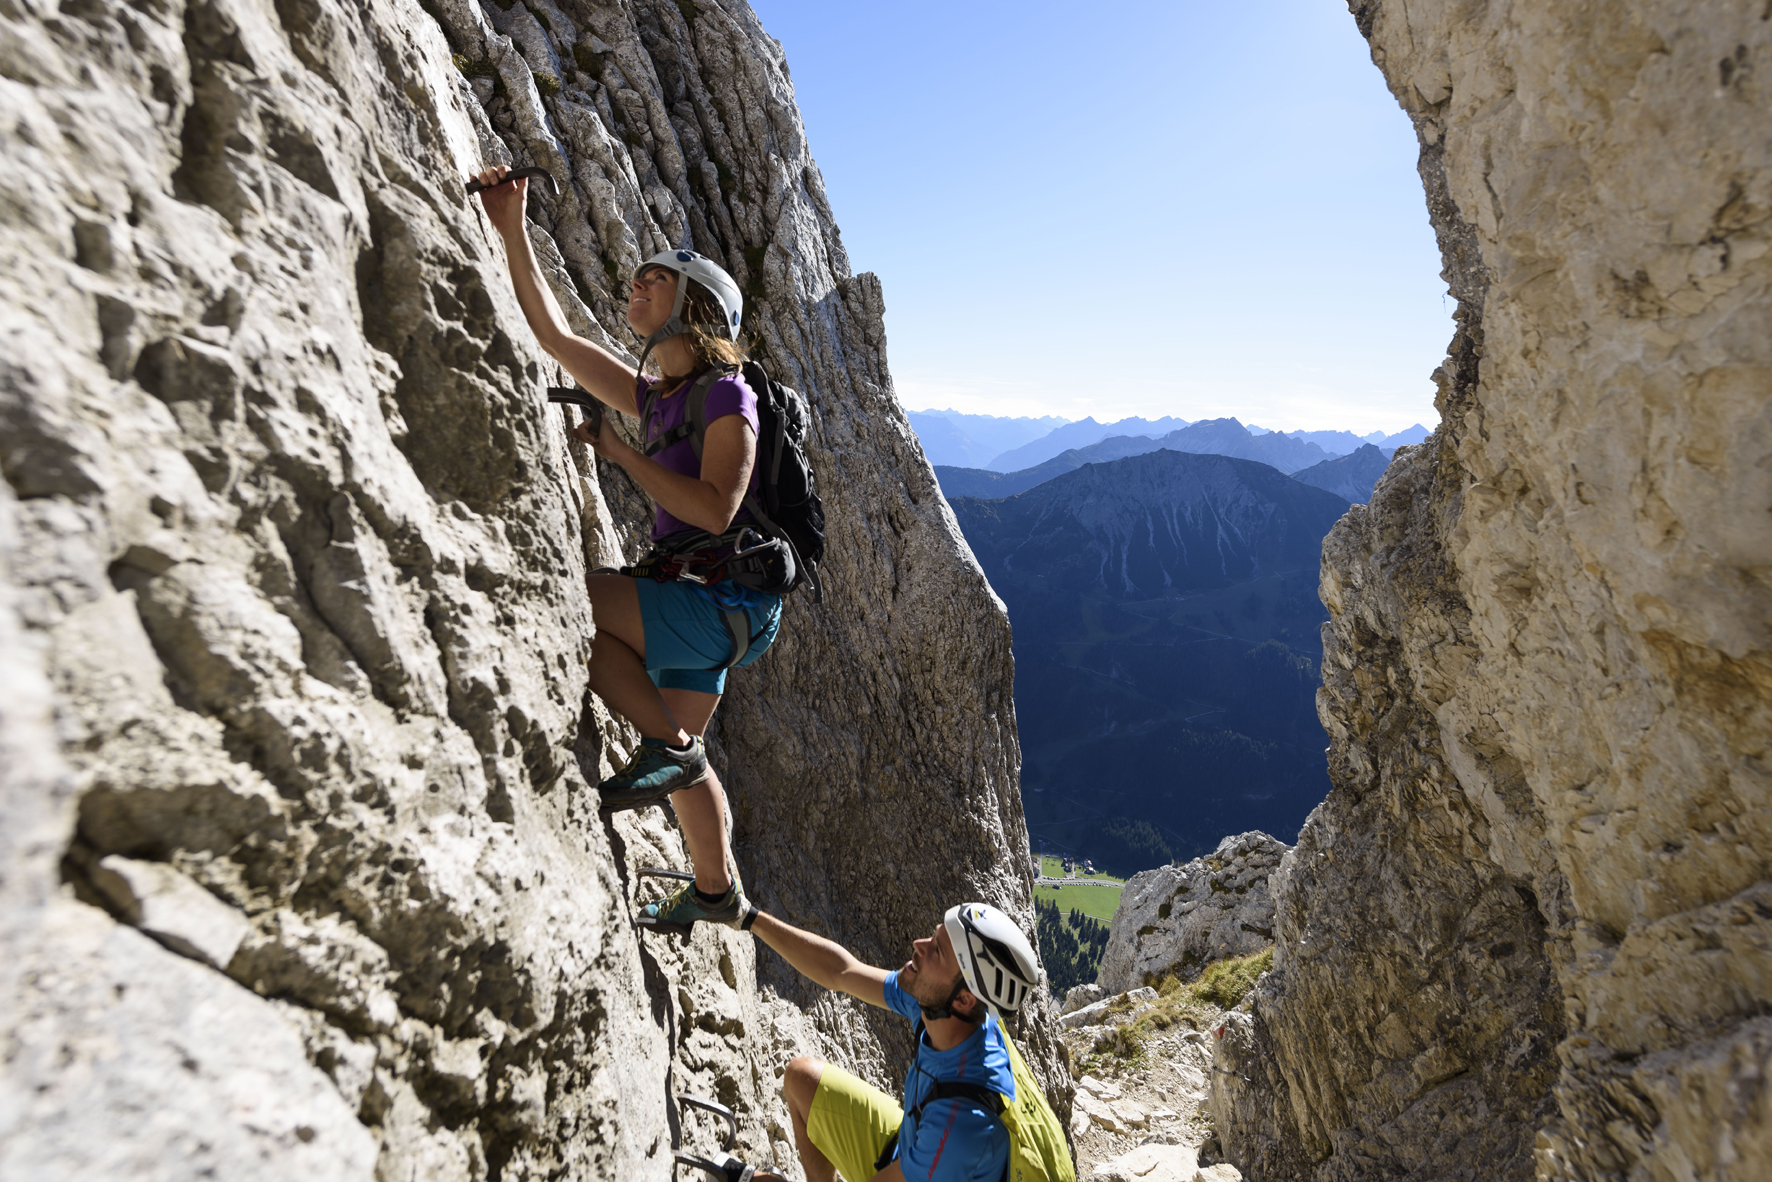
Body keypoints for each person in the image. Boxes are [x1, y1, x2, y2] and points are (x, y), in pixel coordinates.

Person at [474, 164, 782, 932]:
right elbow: (555, 337)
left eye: (654, 280)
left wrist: (621, 454)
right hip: (718, 599)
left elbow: (716, 509)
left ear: (692, 305)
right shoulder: (660, 396)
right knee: (684, 756)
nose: (633, 287)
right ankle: (715, 891)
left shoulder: (727, 394)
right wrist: (511, 228)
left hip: (720, 594)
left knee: (570, 603)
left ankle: (671, 751)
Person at [747, 900, 1042, 1182]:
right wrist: (749, 918)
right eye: (933, 936)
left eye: (936, 950)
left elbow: (946, 1136)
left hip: (931, 1159)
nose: (919, 945)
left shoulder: (961, 1124)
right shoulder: (939, 1007)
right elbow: (841, 971)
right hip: (911, 1149)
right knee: (802, 1079)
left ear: (964, 999)